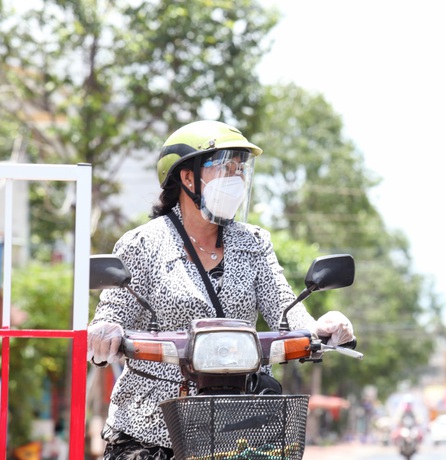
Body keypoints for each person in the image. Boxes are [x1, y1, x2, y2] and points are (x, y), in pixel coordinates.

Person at [87, 120, 356, 459]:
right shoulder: (142, 244)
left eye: (241, 170)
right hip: (149, 427)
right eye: (226, 168)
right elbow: (112, 315)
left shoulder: (254, 243)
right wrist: (105, 331)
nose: (237, 179)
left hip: (239, 430)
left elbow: (285, 309)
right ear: (187, 177)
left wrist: (320, 326)